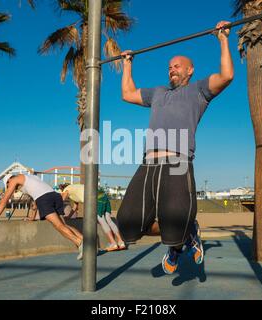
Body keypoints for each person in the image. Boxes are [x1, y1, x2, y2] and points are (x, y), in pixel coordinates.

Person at [117, 21, 234, 274]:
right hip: (148, 164)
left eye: (177, 66)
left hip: (178, 163)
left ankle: (180, 240)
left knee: (174, 226)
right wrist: (127, 64)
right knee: (127, 223)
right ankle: (185, 233)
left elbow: (226, 76)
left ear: (190, 70)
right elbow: (127, 94)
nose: (172, 69)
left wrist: (223, 39)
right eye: (170, 67)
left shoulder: (198, 91)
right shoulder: (157, 93)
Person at [0, 174, 84, 260]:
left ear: (8, 181)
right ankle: (86, 241)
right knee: (64, 225)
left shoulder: (14, 179)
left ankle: (80, 243)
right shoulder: (30, 178)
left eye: (8, 186)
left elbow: (4, 200)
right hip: (54, 195)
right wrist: (32, 218)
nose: (11, 188)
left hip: (44, 199)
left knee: (59, 226)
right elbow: (35, 201)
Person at [61, 184, 126, 252]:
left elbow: (62, 199)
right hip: (103, 195)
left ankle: (113, 243)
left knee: (101, 220)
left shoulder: (66, 189)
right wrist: (68, 216)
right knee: (108, 219)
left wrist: (58, 212)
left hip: (96, 197)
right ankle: (121, 242)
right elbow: (75, 207)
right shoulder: (75, 191)